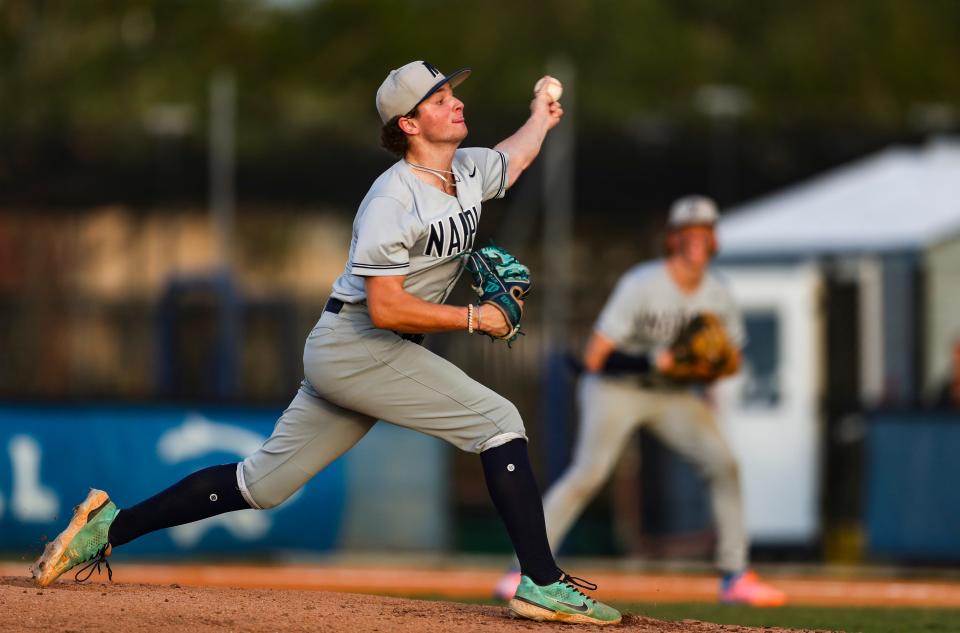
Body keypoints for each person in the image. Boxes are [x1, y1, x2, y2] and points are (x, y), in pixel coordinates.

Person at [32, 60, 621, 625]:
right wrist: (474, 318)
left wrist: (541, 115)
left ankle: (105, 528)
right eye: (439, 99)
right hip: (361, 343)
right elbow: (386, 308)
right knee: (499, 420)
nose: (456, 101)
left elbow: (511, 161)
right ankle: (541, 581)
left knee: (260, 485)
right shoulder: (393, 198)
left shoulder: (464, 169)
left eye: (451, 92)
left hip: (357, 349)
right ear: (409, 126)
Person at [496, 195, 786, 607]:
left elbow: (732, 362)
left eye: (704, 231)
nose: (697, 239)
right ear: (673, 238)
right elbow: (595, 357)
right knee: (588, 474)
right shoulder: (643, 283)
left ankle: (735, 576)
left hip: (671, 395)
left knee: (725, 464)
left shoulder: (717, 292)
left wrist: (701, 367)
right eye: (689, 232)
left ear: (713, 238)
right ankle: (521, 570)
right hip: (616, 389)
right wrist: (658, 359)